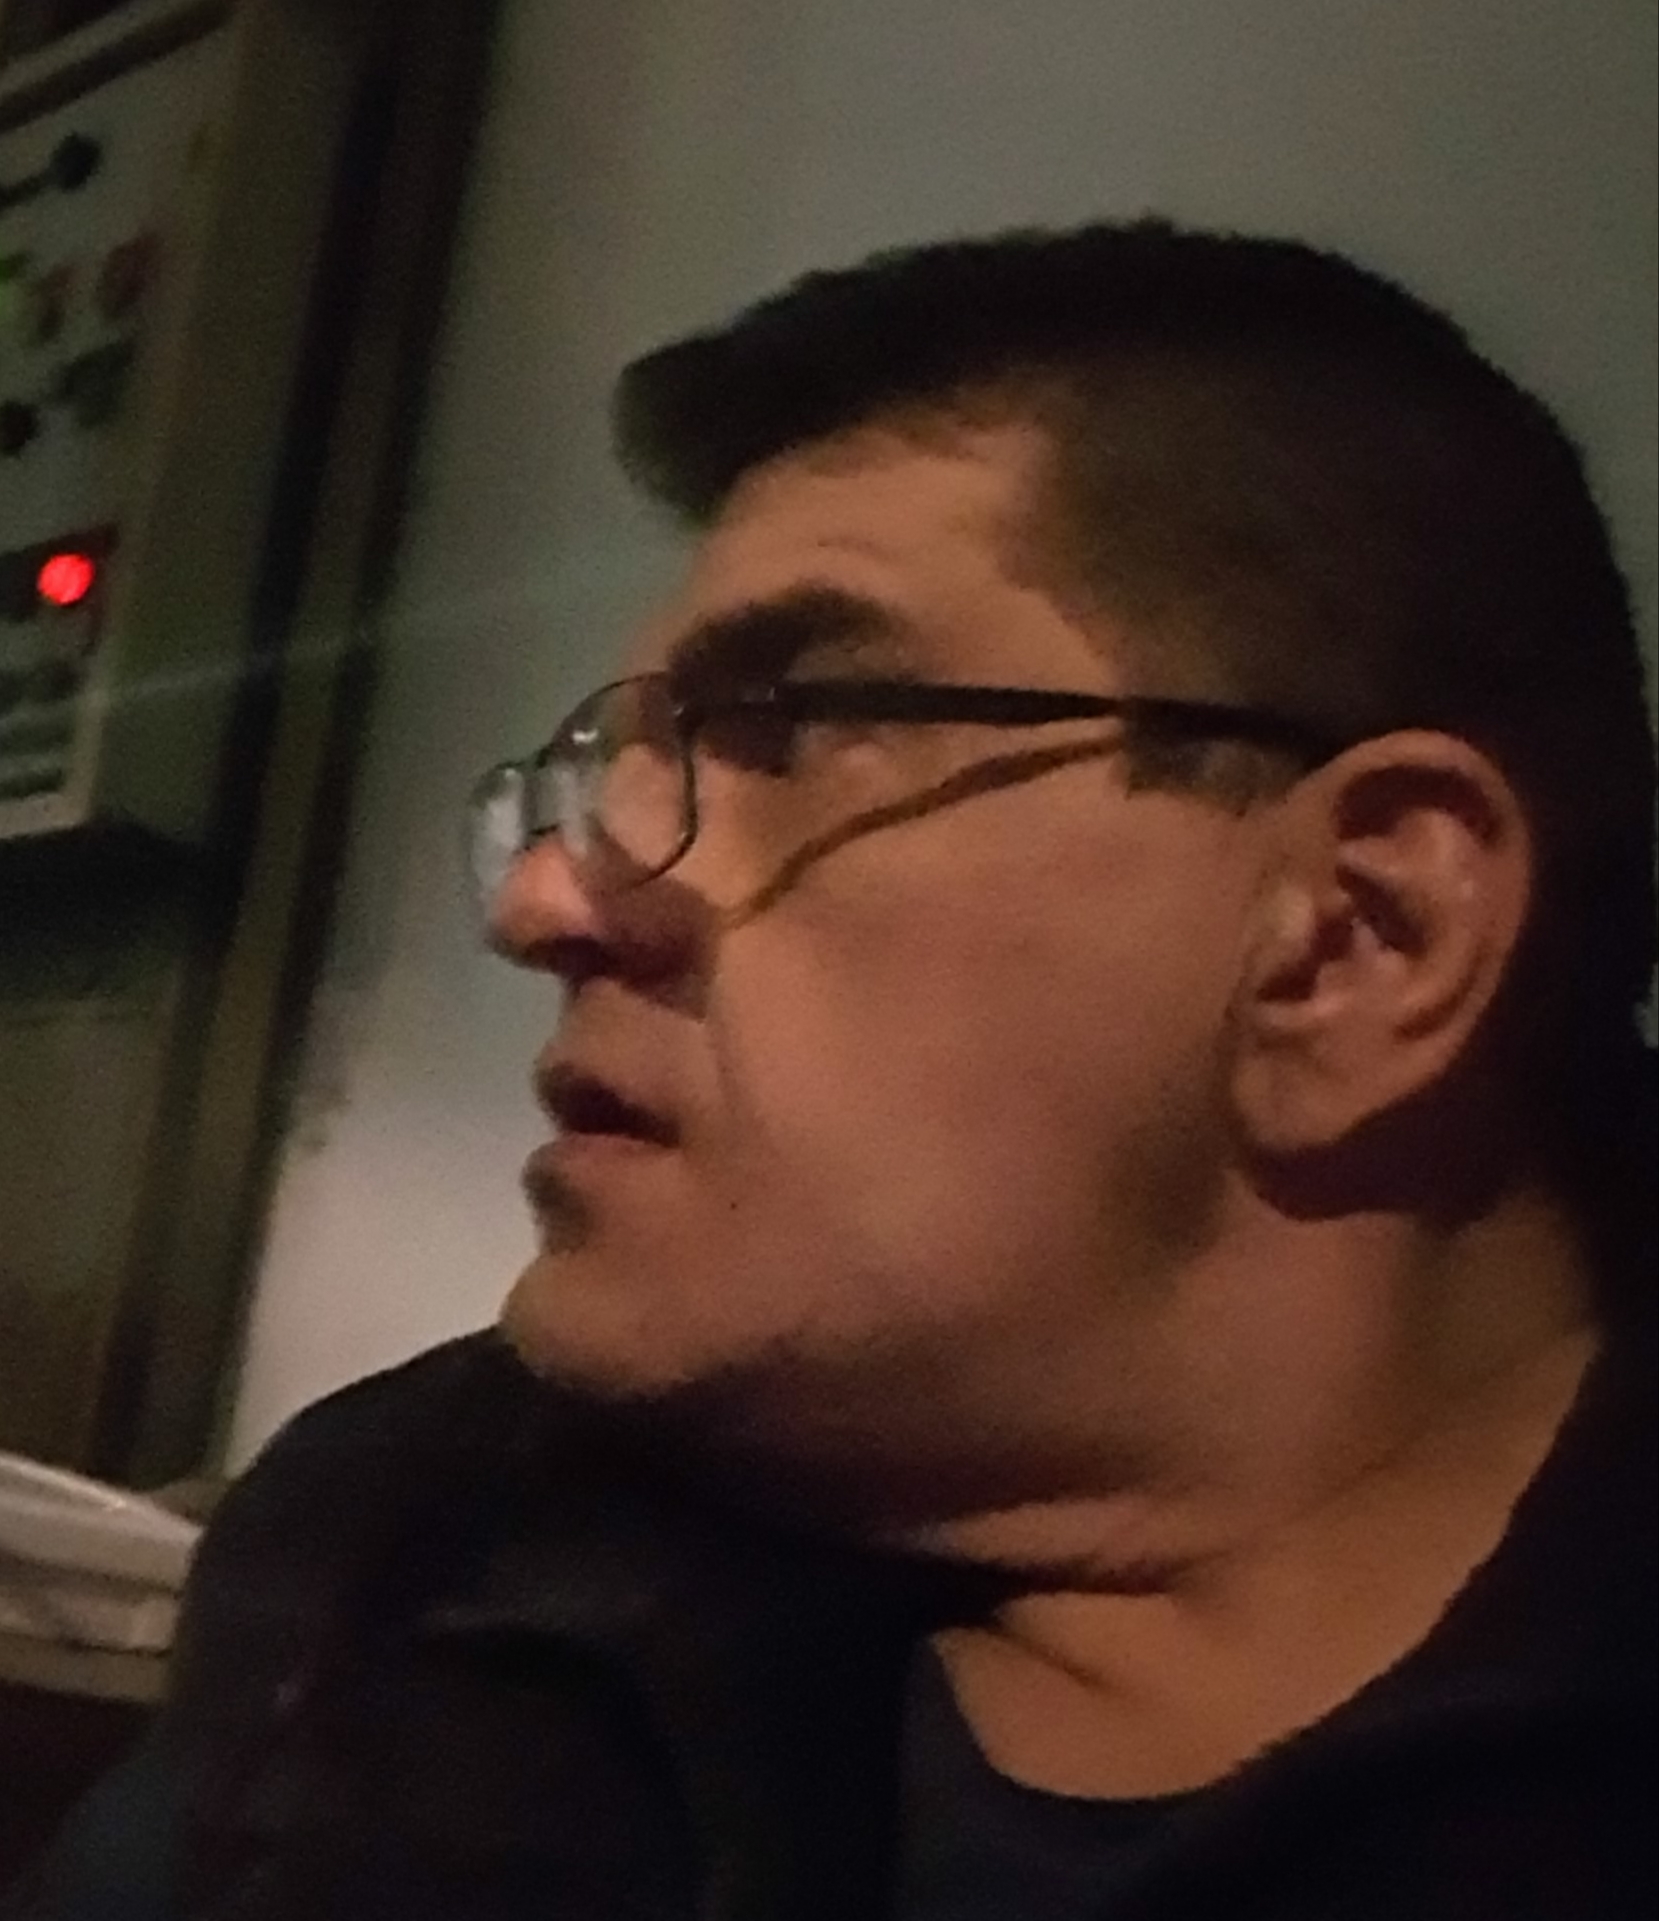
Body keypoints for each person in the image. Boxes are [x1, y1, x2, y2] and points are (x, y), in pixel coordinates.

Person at [11, 219, 1654, 1920]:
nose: (545, 905)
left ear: (1357, 938)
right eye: (599, 779)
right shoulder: (409, 1553)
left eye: (791, 728)